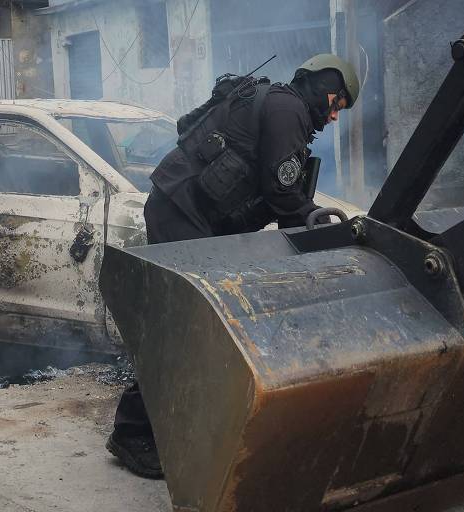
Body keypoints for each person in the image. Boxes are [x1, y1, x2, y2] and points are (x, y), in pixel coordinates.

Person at [105, 54, 360, 479]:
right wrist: (322, 237)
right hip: (180, 213)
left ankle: (178, 425)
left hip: (189, 214)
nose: (334, 116)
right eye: (336, 103)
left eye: (341, 110)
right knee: (188, 327)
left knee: (203, 329)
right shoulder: (288, 108)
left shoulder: (282, 105)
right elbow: (283, 193)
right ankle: (132, 435)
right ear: (322, 84)